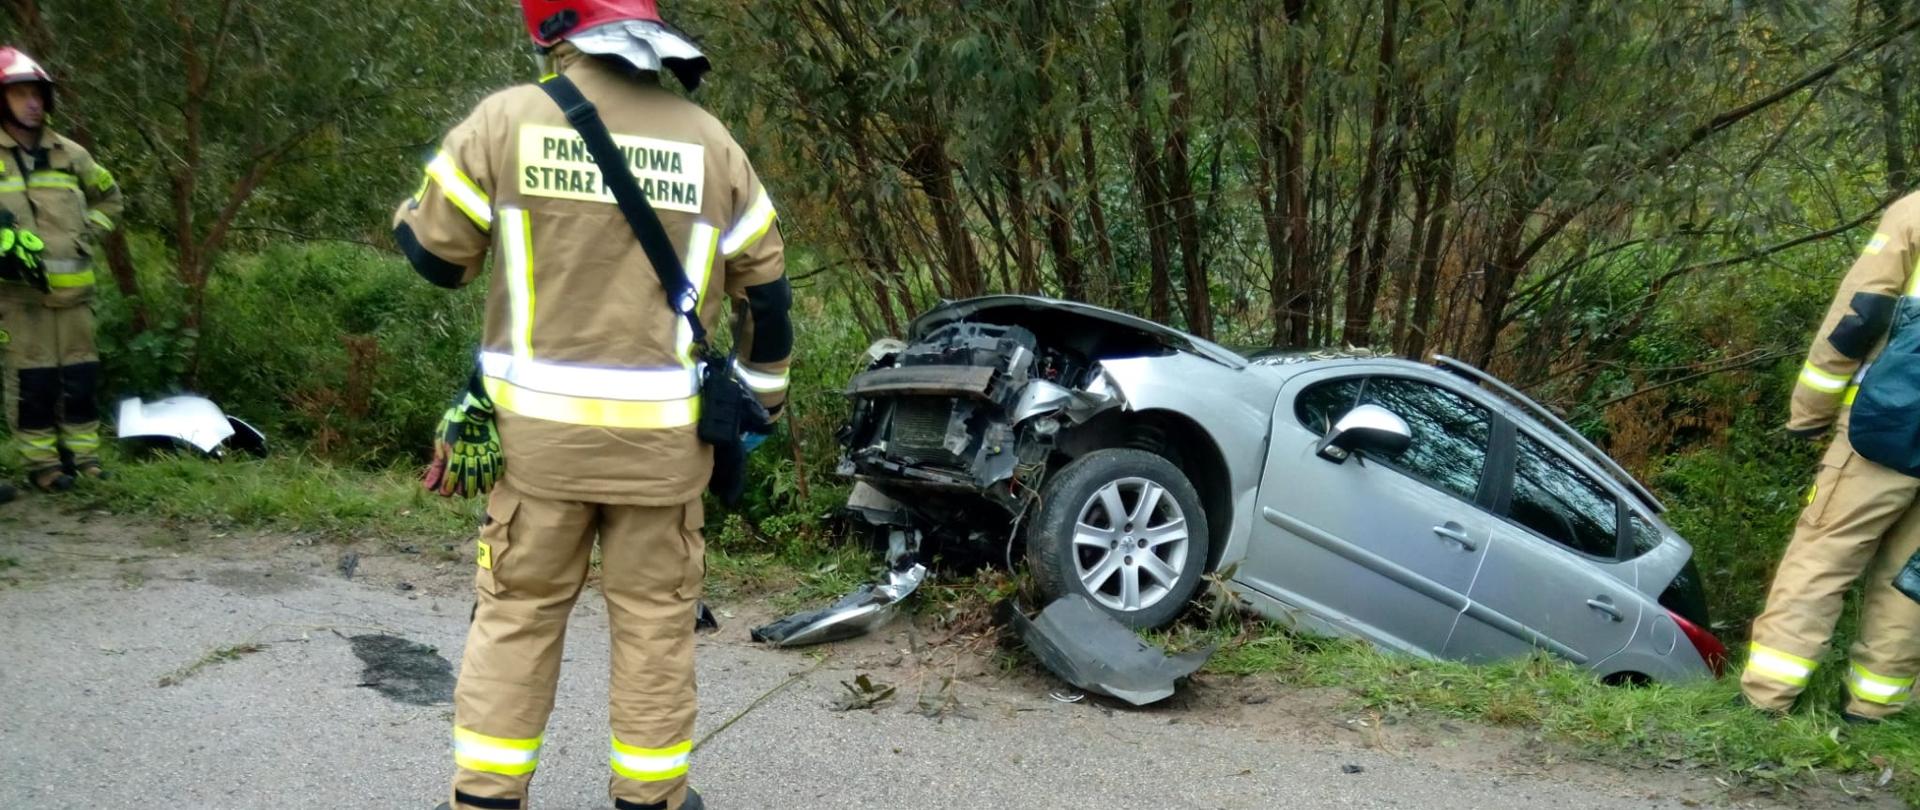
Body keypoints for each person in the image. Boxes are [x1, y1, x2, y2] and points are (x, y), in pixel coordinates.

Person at [392, 2, 792, 808]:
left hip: (538, 453)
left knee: (517, 615)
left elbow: (436, 257)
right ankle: (651, 798)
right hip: (665, 458)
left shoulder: (506, 121)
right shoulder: (713, 144)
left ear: (553, 30)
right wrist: (761, 404)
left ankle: (487, 797)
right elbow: (768, 298)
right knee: (656, 626)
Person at [1741, 190, 1920, 723]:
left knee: (1824, 552)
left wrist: (1809, 411)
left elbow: (1859, 314)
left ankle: (1766, 697)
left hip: (1887, 420)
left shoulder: (1914, 213)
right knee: (1911, 575)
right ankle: (1874, 709)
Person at [0, 47, 121, 496]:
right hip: (19, 301)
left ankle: (85, 460)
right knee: (33, 386)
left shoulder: (71, 155)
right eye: (20, 94)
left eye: (38, 94)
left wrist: (89, 234)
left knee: (80, 381)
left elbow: (110, 198)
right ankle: (43, 466)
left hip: (75, 299)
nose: (32, 103)